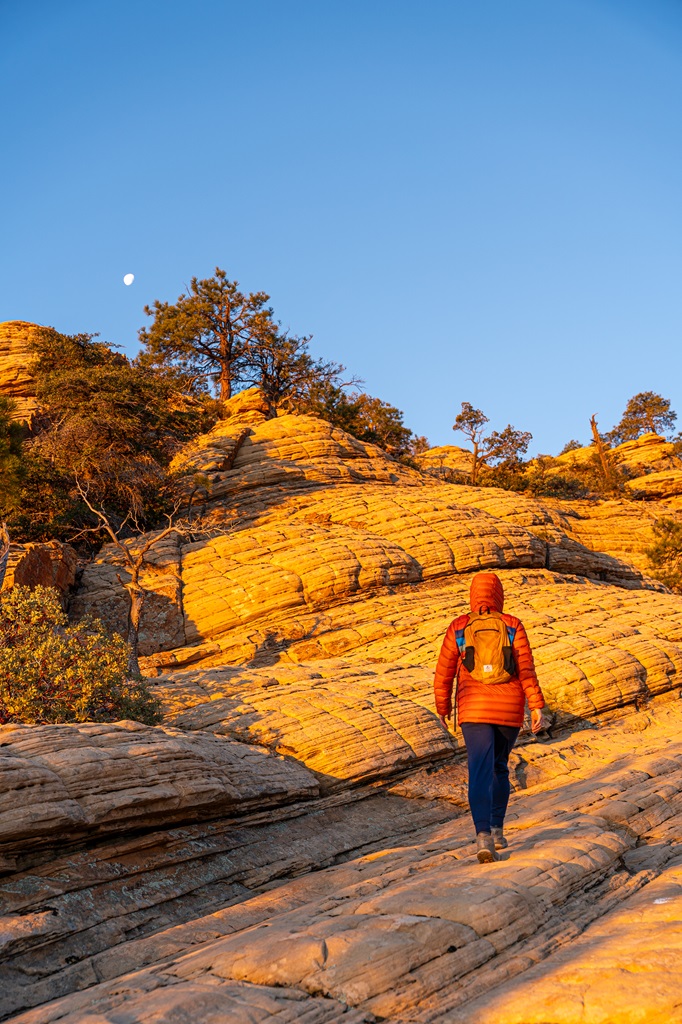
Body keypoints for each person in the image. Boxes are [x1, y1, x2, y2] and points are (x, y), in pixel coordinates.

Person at [434, 571, 550, 863]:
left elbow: (444, 670)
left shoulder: (459, 626)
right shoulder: (512, 625)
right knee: (499, 767)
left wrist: (443, 707)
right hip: (508, 707)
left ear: (473, 596)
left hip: (473, 709)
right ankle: (497, 829)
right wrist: (536, 705)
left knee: (479, 770)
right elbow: (526, 668)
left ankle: (483, 835)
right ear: (498, 595)